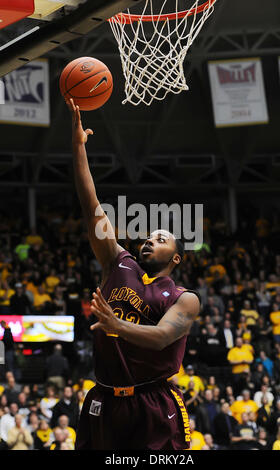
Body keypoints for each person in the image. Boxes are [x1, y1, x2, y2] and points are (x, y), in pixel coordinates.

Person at [66, 98, 201, 451]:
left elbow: (160, 337)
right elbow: (91, 207)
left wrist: (117, 326)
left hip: (153, 403)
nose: (148, 240)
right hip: (104, 398)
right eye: (147, 236)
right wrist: (78, 148)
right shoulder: (118, 263)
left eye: (160, 239)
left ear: (176, 258)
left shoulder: (185, 298)